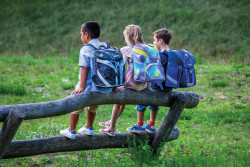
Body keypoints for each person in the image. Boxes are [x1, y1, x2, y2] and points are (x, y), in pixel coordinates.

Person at [60, 21, 113, 139]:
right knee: (93, 106)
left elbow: (84, 68)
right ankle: (89, 127)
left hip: (88, 86)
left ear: (86, 35)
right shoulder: (104, 46)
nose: (81, 37)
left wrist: (81, 87)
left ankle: (71, 130)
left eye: (81, 34)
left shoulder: (86, 48)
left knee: (75, 105)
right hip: (102, 86)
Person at [99, 24, 150, 136]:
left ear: (128, 37)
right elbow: (150, 68)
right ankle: (110, 122)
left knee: (118, 101)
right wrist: (148, 85)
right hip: (143, 84)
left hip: (132, 83)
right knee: (122, 102)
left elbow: (121, 68)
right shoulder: (147, 49)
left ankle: (111, 128)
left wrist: (118, 85)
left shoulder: (128, 50)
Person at [126, 28, 173, 134]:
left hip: (157, 86)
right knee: (154, 103)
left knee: (142, 101)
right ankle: (151, 125)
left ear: (160, 40)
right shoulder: (171, 54)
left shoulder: (159, 55)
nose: (153, 43)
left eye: (154, 40)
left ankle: (140, 125)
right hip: (168, 87)